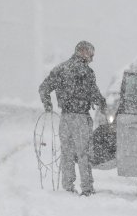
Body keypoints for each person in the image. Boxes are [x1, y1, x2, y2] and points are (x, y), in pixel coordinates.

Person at [39, 41, 107, 196]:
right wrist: (102, 103)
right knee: (84, 154)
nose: (92, 58)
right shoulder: (86, 72)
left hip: (65, 118)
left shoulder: (60, 69)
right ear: (82, 51)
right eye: (91, 54)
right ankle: (87, 188)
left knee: (67, 153)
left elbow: (43, 88)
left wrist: (48, 105)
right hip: (81, 117)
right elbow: (94, 94)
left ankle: (68, 186)